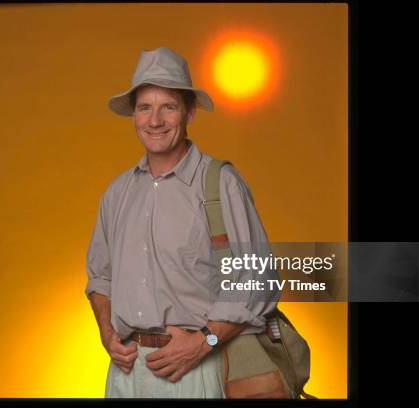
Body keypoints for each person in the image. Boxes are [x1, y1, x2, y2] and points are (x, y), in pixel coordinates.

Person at [85, 46, 279, 398]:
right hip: (125, 374)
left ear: (189, 112)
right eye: (145, 107)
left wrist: (202, 343)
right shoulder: (117, 192)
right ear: (134, 115)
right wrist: (106, 333)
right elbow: (101, 277)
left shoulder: (220, 183)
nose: (154, 121)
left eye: (168, 107)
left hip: (195, 369)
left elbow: (256, 278)